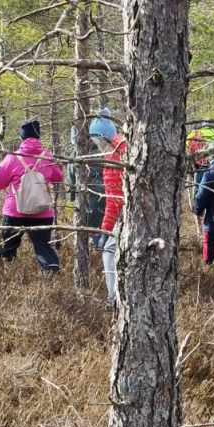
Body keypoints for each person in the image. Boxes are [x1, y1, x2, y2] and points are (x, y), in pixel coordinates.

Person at [0, 119, 65, 274]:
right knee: (43, 247)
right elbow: (59, 177)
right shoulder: (47, 156)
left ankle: (4, 279)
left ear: (21, 137)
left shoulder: (12, 158)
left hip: (14, 211)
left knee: (8, 247)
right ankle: (51, 280)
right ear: (38, 136)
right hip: (43, 211)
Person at [89, 112, 124, 303]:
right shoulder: (124, 145)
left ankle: (113, 297)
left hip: (125, 214)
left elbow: (113, 199)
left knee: (109, 253)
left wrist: (105, 231)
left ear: (101, 137)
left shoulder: (112, 155)